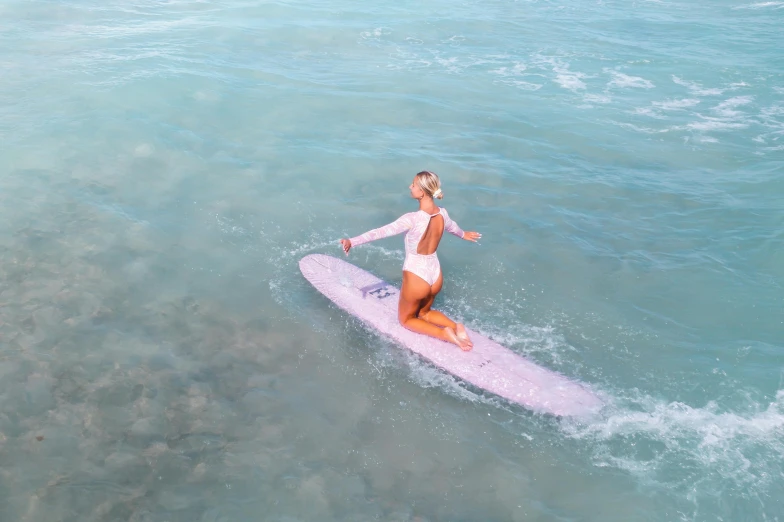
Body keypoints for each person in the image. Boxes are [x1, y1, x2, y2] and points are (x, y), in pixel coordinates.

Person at [340, 171, 481, 350]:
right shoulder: (443, 214)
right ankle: (456, 326)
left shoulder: (412, 219)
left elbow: (381, 232)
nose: (410, 187)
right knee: (425, 312)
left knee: (406, 319)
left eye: (413, 184)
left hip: (417, 275)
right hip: (435, 274)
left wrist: (352, 241)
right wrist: (464, 235)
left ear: (422, 192)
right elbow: (453, 228)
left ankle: (444, 334)